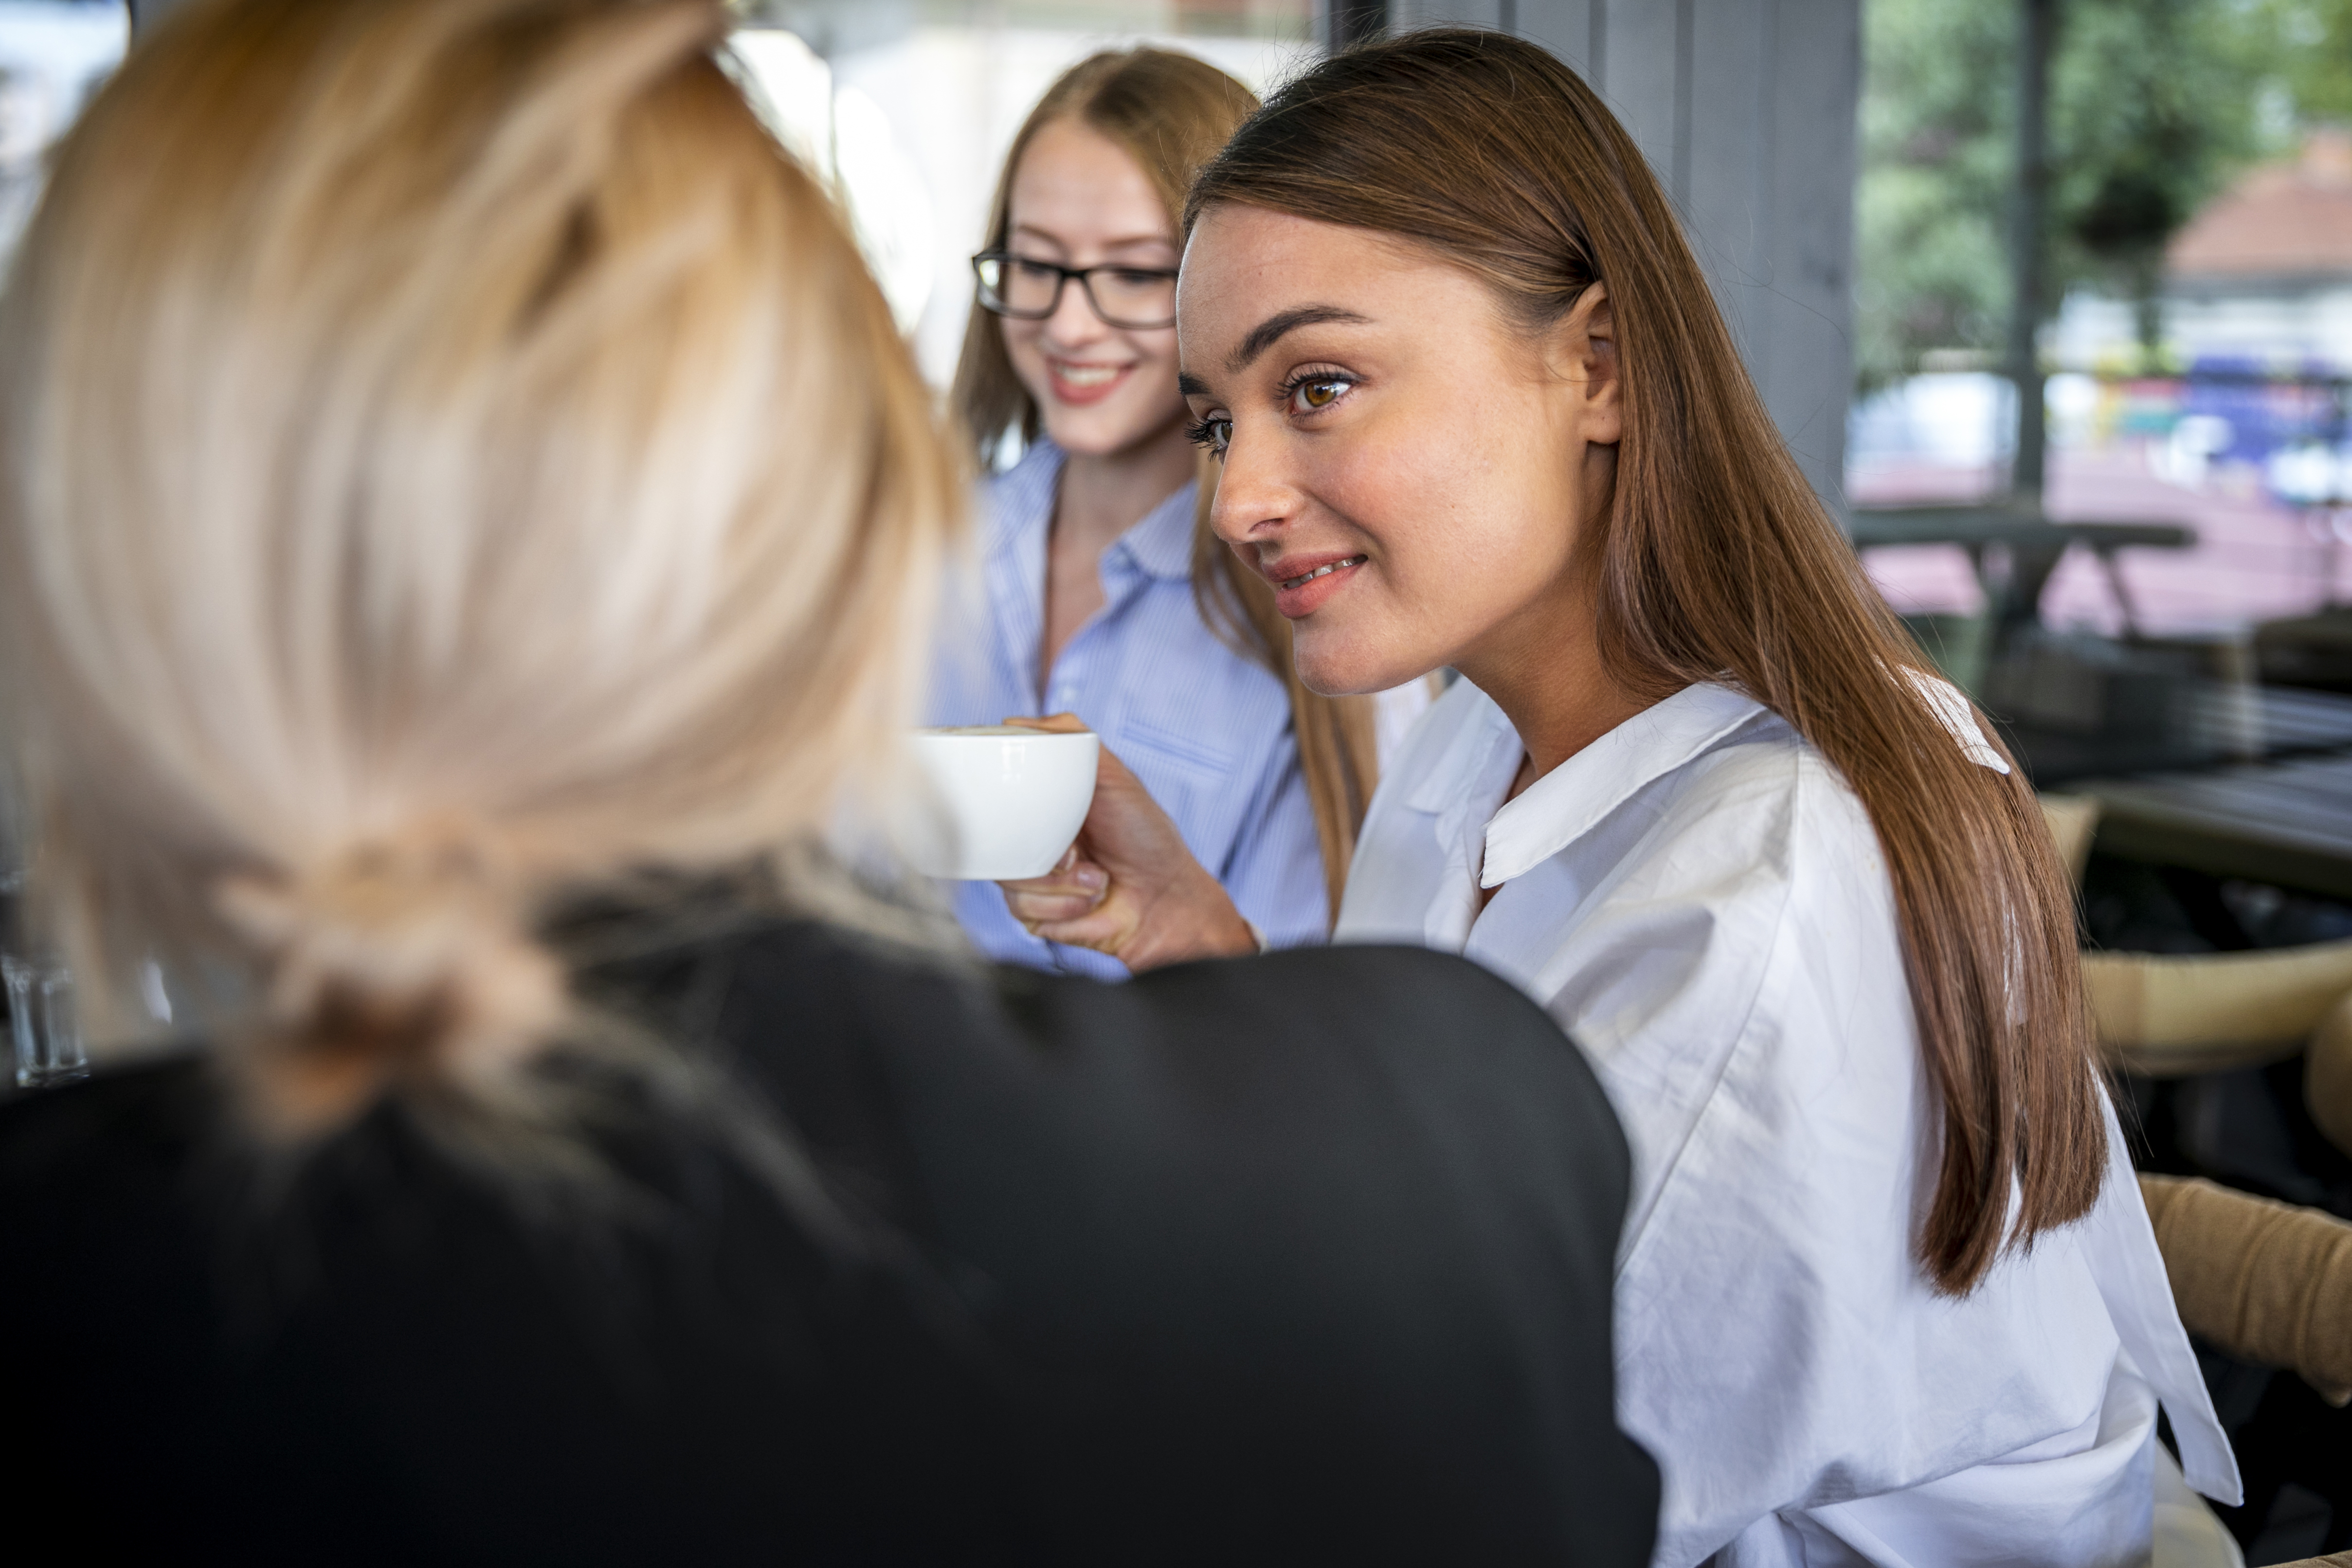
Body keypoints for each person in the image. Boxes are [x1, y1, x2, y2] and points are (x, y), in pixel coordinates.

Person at [0, 4, 1666, 1562]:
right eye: (1038, 268)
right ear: (839, 479)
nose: (1248, 496)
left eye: (1302, 385)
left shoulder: (89, 1295)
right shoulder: (1468, 1136)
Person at [1000, 29, 2242, 1566]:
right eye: (1214, 417)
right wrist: (1206, 954)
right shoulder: (1472, 742)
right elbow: (1445, 1249)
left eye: (1316, 385)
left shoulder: (1766, 881)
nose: (1236, 496)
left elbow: (1475, 1475)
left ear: (1594, 364)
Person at [934, 49, 1411, 977]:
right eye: (1037, 263)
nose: (1070, 327)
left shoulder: (1328, 609)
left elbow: (1332, 999)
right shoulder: (914, 558)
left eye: (1136, 274)